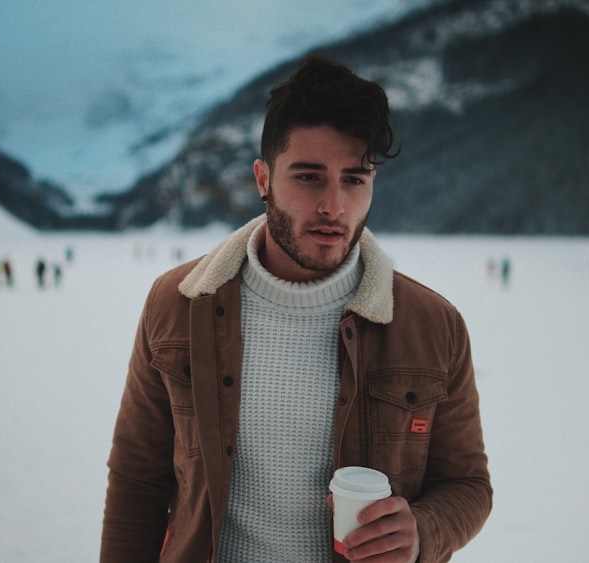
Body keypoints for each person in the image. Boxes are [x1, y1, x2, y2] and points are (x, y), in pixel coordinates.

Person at [101, 54, 491, 563]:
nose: (334, 205)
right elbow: (137, 480)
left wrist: (422, 531)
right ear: (263, 179)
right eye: (309, 177)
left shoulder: (433, 326)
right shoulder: (177, 305)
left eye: (355, 179)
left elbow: (468, 485)